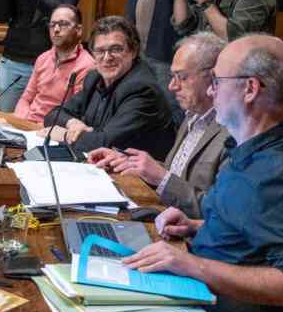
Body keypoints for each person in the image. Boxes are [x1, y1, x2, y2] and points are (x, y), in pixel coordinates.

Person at [124, 34, 283, 312]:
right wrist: (196, 224)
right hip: (201, 294)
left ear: (250, 89)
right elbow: (252, 227)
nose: (212, 91)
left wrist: (189, 265)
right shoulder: (246, 149)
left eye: (217, 80)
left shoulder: (280, 171)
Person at [88, 32, 229, 218]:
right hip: (162, 214)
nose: (172, 86)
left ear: (213, 77)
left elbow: (221, 213)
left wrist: (161, 177)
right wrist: (130, 162)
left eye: (182, 77)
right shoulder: (192, 115)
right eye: (172, 76)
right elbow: (178, 174)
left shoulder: (232, 133)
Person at [42, 16, 175, 160]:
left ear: (134, 51)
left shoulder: (142, 89)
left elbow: (104, 143)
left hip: (137, 177)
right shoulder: (94, 78)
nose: (107, 58)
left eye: (116, 49)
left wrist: (65, 134)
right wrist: (73, 123)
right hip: (101, 164)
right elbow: (54, 114)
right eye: (100, 51)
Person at [13, 4, 94, 124]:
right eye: (52, 25)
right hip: (29, 125)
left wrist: (40, 128)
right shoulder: (43, 58)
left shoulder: (87, 65)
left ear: (78, 30)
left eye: (63, 24)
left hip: (53, 130)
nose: (56, 29)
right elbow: (26, 98)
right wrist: (22, 121)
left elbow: (76, 113)